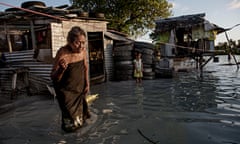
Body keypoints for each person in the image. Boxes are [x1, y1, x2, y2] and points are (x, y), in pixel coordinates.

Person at [51, 26, 90, 133]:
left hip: (79, 89)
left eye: (83, 42)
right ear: (70, 41)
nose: (81, 46)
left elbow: (85, 67)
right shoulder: (63, 53)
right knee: (70, 121)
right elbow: (53, 77)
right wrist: (61, 70)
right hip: (66, 93)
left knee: (81, 118)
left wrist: (87, 84)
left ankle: (80, 137)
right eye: (78, 43)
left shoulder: (83, 51)